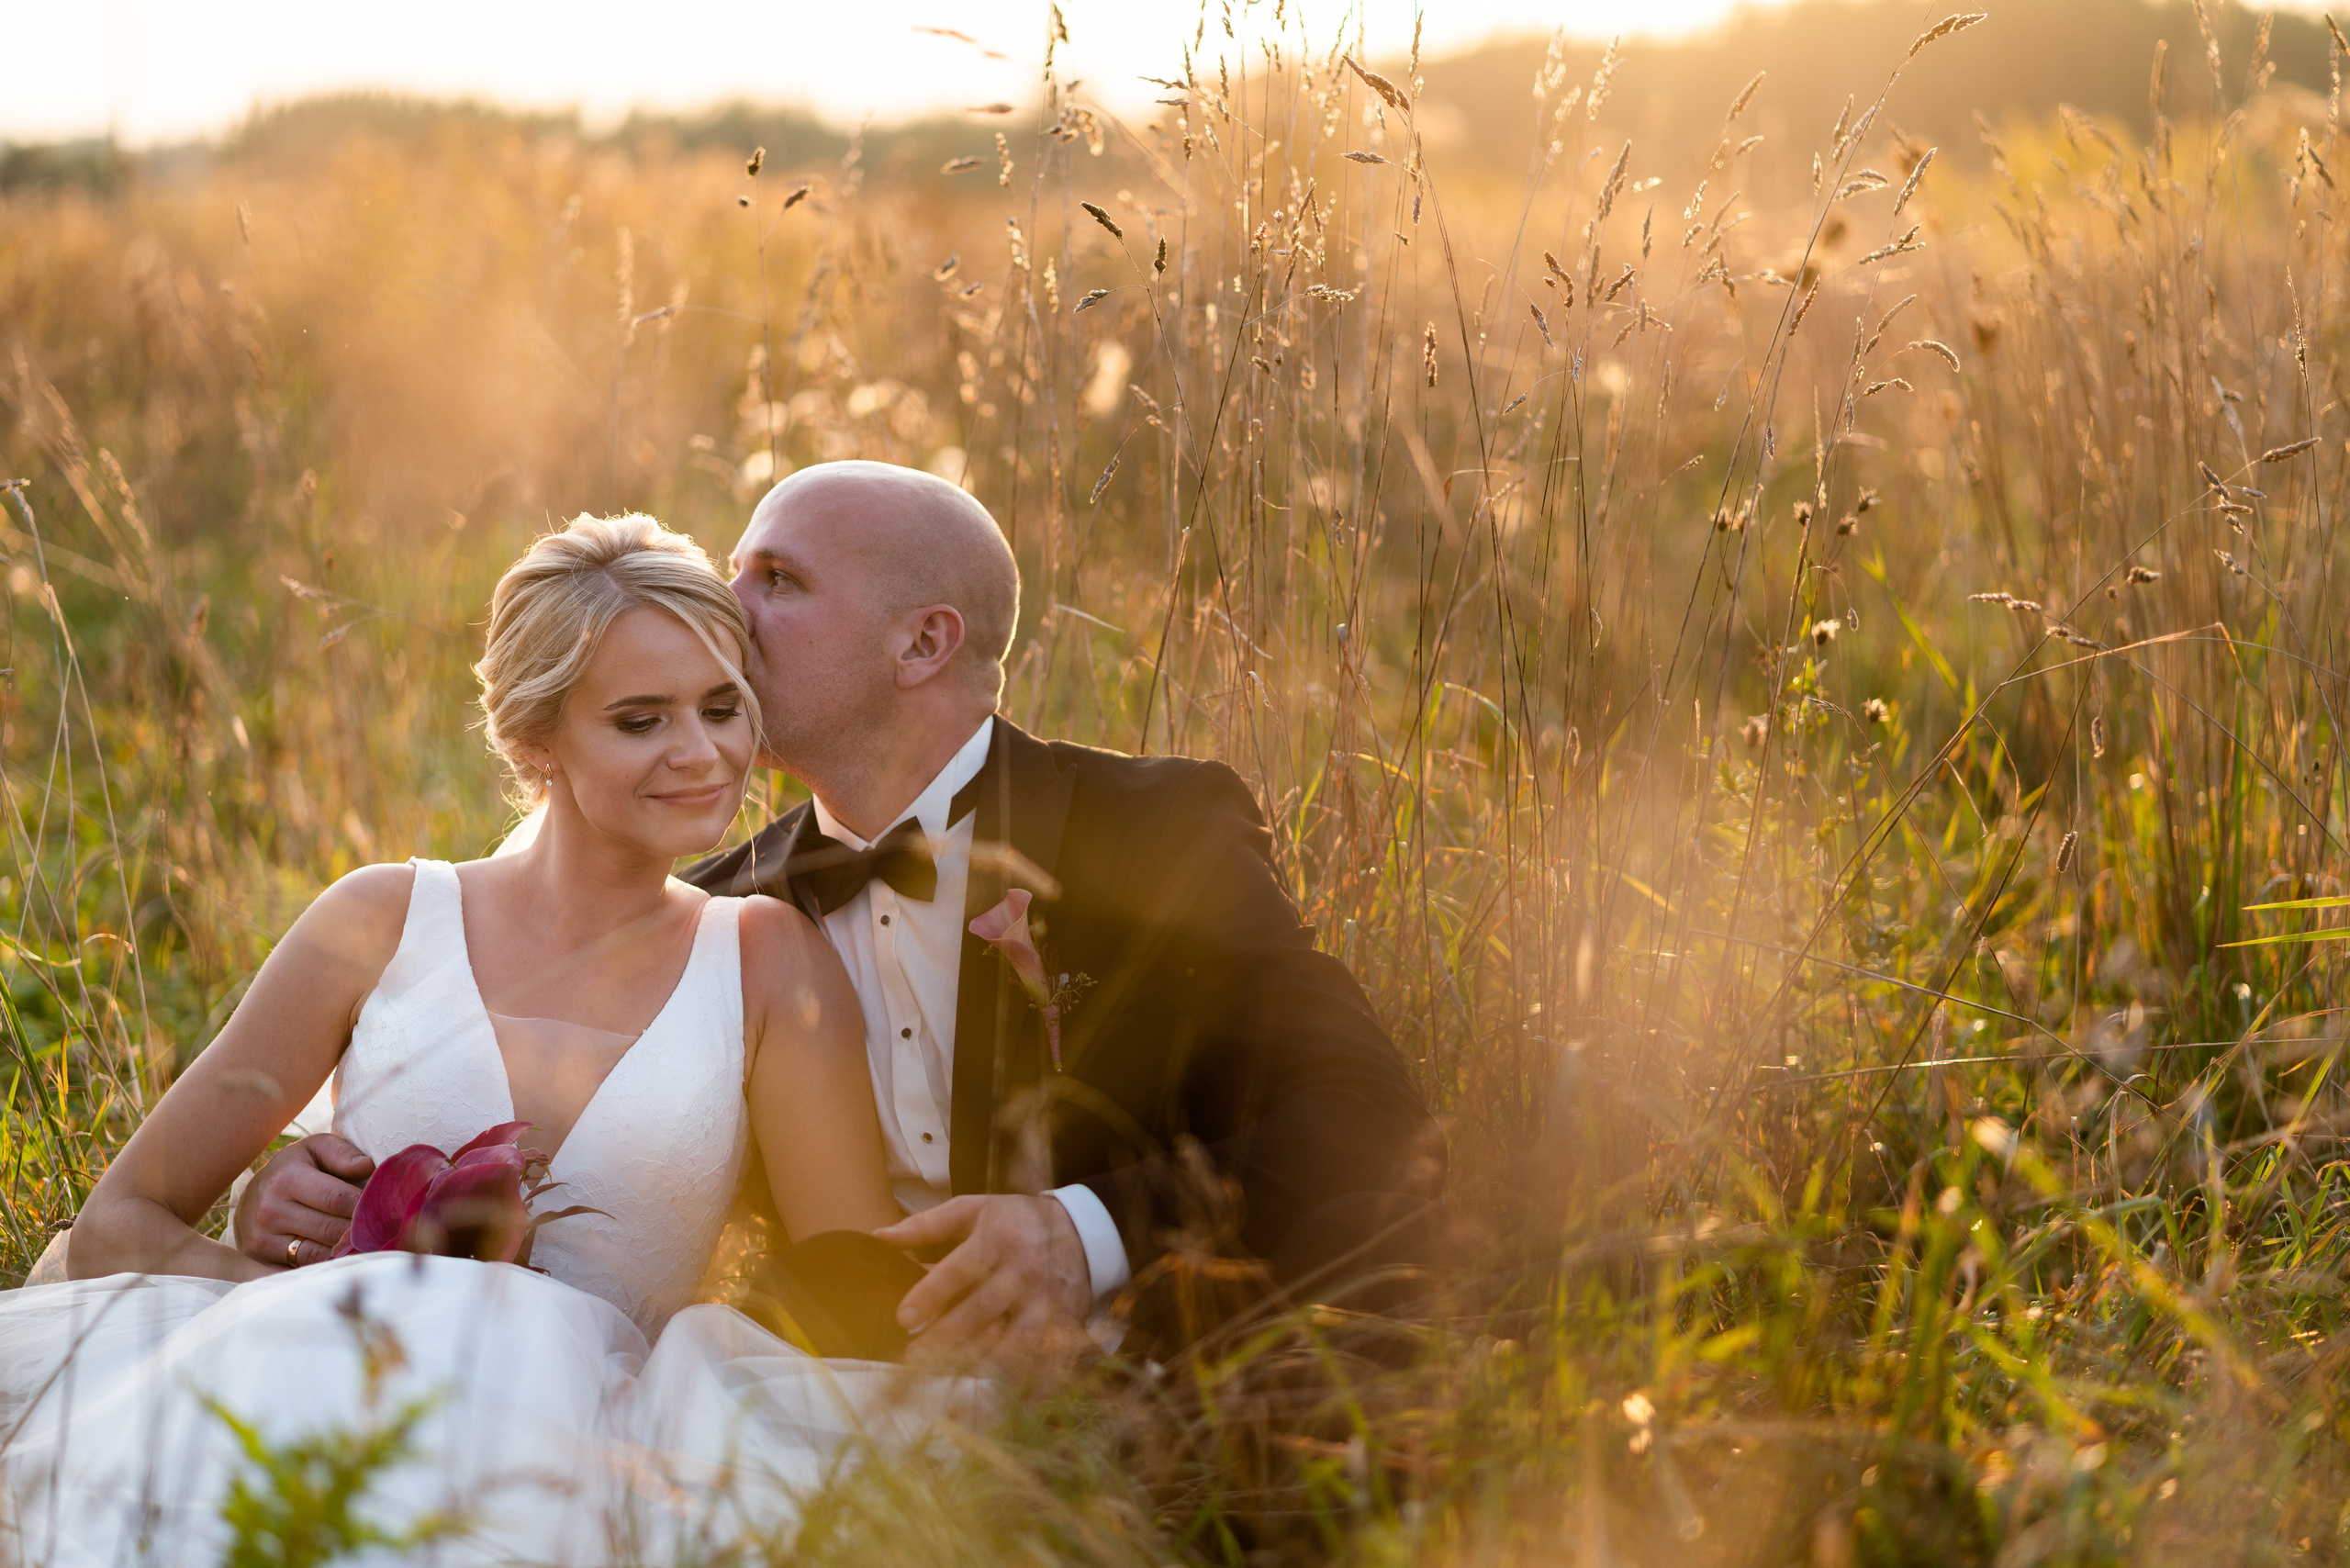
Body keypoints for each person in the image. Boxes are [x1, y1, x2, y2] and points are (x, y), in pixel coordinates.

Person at [246, 461, 1445, 1365]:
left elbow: (1365, 1111)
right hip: (852, 1382)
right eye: (732, 570)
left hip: (1189, 1375)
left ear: (923, 643)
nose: (724, 604)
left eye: (778, 580)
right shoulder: (721, 917)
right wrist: (333, 1196)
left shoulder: (1150, 830)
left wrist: (1084, 1236)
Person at [0, 515, 960, 1565]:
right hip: (313, 1377)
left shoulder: (767, 960)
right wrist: (331, 1297)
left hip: (581, 1439)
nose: (703, 753)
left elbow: (854, 1286)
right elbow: (117, 1227)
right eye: (640, 720)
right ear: (535, 739)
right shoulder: (379, 918)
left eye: (723, 707)